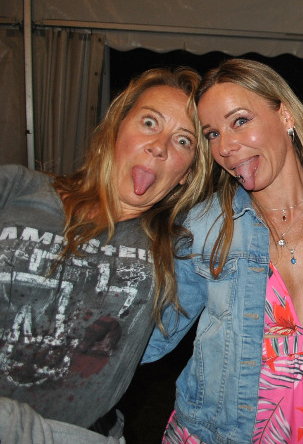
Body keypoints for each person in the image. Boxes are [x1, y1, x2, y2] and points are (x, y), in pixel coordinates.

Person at [143, 58, 303, 444]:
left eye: (240, 121)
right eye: (212, 134)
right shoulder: (206, 227)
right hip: (223, 432)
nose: (226, 147)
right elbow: (150, 334)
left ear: (285, 115)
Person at [0, 67, 208, 443]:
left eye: (183, 141)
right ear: (115, 129)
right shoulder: (16, 189)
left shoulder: (179, 249)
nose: (160, 146)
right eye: (149, 122)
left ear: (186, 174)